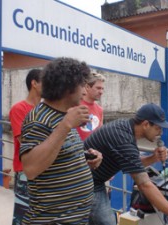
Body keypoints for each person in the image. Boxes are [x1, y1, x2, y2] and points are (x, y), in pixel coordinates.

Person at [84, 103, 168, 225]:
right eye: (158, 128)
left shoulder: (125, 128)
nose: (160, 132)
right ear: (146, 124)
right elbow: (144, 184)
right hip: (86, 182)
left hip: (94, 180)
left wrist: (154, 158)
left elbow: (133, 163)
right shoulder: (124, 140)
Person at [19, 57, 102, 225]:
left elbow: (57, 152)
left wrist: (85, 157)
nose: (84, 92)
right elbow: (30, 168)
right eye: (82, 86)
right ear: (68, 87)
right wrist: (65, 125)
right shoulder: (38, 119)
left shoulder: (64, 115)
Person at [9, 68, 42, 225]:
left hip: (46, 171)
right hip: (25, 171)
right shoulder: (19, 109)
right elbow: (25, 141)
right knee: (22, 217)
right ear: (34, 83)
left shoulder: (44, 110)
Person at [77, 72, 106, 141]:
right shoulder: (75, 105)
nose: (101, 92)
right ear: (87, 87)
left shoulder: (100, 109)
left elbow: (100, 135)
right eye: (98, 88)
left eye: (102, 89)